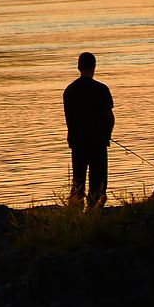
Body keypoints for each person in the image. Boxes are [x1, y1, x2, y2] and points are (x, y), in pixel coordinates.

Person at [63, 52, 115, 208]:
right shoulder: (101, 89)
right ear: (94, 67)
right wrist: (107, 136)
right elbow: (109, 118)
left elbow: (69, 119)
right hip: (98, 143)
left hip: (77, 143)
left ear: (79, 67)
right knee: (98, 184)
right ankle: (94, 213)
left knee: (78, 182)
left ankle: (76, 215)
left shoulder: (69, 91)